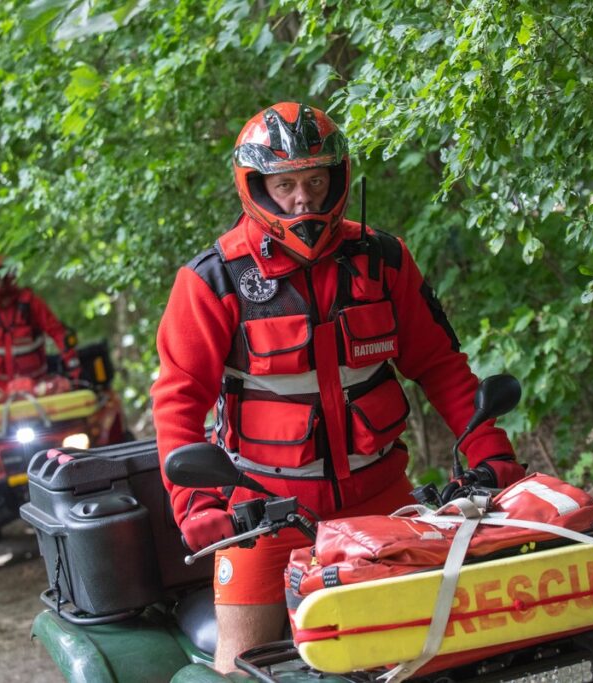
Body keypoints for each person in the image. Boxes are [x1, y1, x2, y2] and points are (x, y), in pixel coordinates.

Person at [150, 102, 526, 672]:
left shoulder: (383, 260)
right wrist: (197, 505)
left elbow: (442, 366)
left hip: (385, 501)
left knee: (429, 656)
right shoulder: (214, 281)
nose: (302, 198)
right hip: (263, 515)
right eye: (285, 184)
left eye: (314, 180)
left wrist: (487, 448)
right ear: (257, 187)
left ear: (337, 180)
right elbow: (177, 403)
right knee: (241, 668)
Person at [0, 256, 81, 410]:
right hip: (0, 392)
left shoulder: (31, 304)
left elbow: (58, 333)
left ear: (7, 277)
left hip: (38, 386)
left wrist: (73, 367)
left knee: (65, 391)